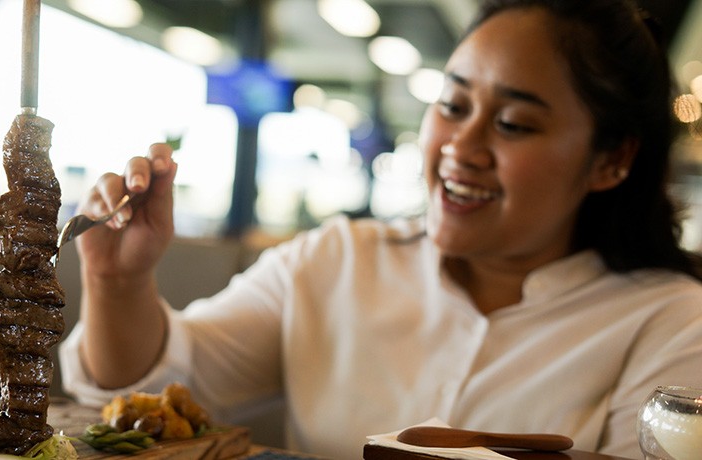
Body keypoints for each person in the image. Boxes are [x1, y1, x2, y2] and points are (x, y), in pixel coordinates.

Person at [59, 0, 702, 458]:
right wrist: (118, 280)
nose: (461, 146)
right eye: (452, 106)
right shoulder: (335, 260)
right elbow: (147, 400)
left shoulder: (671, 323)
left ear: (612, 159)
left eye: (514, 124)